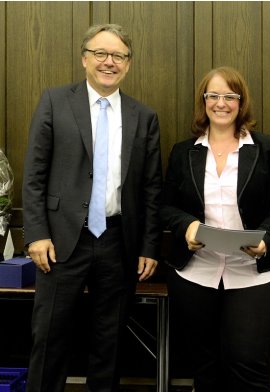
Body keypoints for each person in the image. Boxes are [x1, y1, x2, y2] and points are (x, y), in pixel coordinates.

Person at [22, 24, 162, 391]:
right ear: (85, 59)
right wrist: (36, 234)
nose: (109, 62)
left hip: (119, 242)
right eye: (100, 53)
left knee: (109, 342)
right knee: (49, 338)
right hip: (60, 242)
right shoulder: (55, 101)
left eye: (118, 56)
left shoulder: (143, 117)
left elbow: (151, 189)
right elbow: (34, 173)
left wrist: (149, 246)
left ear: (128, 65)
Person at [160, 66, 270, 392]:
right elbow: (165, 207)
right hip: (196, 273)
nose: (221, 103)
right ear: (203, 101)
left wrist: (265, 238)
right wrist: (187, 226)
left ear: (241, 101)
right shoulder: (183, 152)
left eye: (229, 96)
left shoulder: (267, 149)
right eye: (213, 96)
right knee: (204, 366)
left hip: (252, 272)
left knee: (246, 362)